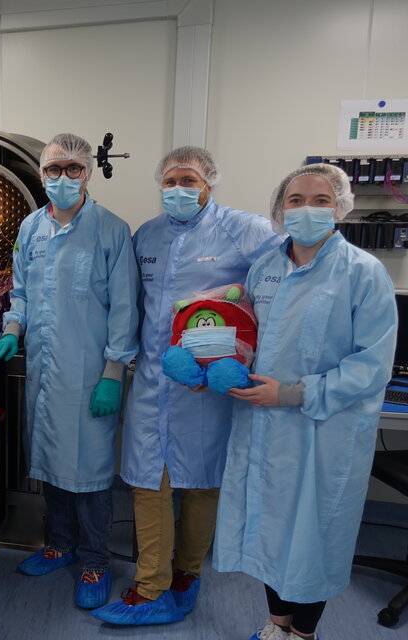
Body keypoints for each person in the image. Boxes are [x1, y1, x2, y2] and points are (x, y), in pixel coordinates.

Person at [93, 146, 282, 626]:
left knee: (201, 483)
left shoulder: (246, 230)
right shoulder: (147, 235)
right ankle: (151, 585)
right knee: (145, 482)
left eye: (190, 180)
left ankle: (187, 576)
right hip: (154, 378)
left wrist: (243, 359)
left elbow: (276, 294)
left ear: (209, 184)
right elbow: (132, 302)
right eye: (171, 180)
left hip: (210, 385)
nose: (179, 188)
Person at [213, 163, 396, 640]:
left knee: (312, 538)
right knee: (272, 531)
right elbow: (247, 337)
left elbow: (370, 366)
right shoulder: (265, 268)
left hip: (323, 431)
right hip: (264, 426)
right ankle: (277, 626)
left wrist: (293, 394)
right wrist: (213, 364)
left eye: (320, 200)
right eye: (296, 200)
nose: (307, 209)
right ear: (279, 208)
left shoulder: (363, 272)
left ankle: (303, 634)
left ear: (339, 208)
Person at [0, 133, 139, 610]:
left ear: (88, 173)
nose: (63, 177)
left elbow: (124, 308)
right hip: (45, 372)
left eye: (73, 168)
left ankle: (95, 561)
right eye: (54, 169)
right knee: (51, 465)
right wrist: (14, 327)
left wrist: (114, 374)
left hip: (91, 374)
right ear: (41, 173)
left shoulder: (111, 230)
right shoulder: (31, 228)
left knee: (92, 475)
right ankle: (59, 543)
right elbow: (22, 292)